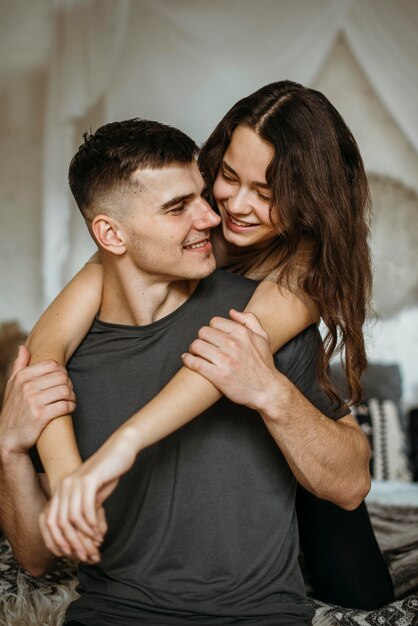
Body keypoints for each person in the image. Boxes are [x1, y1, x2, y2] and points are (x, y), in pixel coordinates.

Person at [27, 81, 393, 609]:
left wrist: (118, 450)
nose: (236, 206)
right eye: (228, 176)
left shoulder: (306, 268)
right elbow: (45, 346)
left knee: (361, 591)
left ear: (311, 199)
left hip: (292, 438)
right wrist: (67, 480)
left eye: (267, 194)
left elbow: (220, 362)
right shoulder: (185, 219)